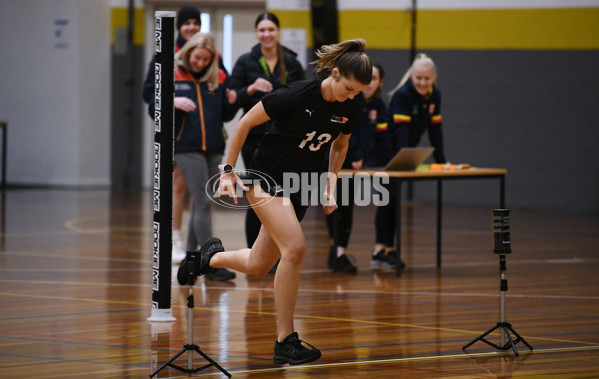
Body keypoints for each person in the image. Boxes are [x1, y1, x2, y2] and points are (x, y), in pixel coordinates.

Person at [178, 39, 372, 364]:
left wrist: (330, 183)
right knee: (295, 248)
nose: (350, 97)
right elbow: (243, 124)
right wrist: (228, 171)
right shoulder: (296, 94)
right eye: (348, 88)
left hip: (301, 185)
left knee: (258, 264)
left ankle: (207, 259)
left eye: (357, 93)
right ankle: (285, 340)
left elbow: (340, 146)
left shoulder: (349, 106)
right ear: (335, 73)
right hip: (265, 177)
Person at [142, 6, 228, 263]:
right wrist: (173, 100)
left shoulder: (212, 56)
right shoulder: (167, 54)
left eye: (195, 23)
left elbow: (223, 92)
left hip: (208, 138)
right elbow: (150, 95)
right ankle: (175, 240)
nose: (190, 27)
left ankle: (189, 250)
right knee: (180, 187)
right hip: (181, 136)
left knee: (195, 194)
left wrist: (235, 96)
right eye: (186, 23)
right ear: (179, 27)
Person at [150, 32, 239, 281]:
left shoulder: (218, 76)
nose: (200, 63)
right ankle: (211, 262)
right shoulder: (173, 73)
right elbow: (153, 105)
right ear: (188, 52)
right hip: (186, 147)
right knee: (202, 201)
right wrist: (173, 101)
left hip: (213, 145)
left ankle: (191, 257)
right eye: (196, 57)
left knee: (204, 200)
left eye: (205, 59)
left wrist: (233, 101)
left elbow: (226, 113)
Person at [229, 12, 305, 256]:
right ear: (255, 33)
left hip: (284, 140)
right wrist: (249, 88)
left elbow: (303, 96)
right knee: (259, 196)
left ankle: (277, 252)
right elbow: (231, 99)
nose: (266, 34)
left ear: (278, 31)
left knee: (282, 196)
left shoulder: (292, 62)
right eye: (262, 30)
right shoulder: (244, 61)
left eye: (271, 29)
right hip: (253, 139)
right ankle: (254, 254)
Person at [371, 53, 446, 270]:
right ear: (411, 77)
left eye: (427, 79)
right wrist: (402, 160)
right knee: (388, 199)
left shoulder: (435, 96)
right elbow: (400, 133)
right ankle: (383, 249)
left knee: (392, 200)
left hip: (404, 155)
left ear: (434, 78)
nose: (422, 83)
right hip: (389, 153)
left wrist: (441, 160)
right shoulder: (403, 95)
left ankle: (384, 249)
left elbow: (435, 129)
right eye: (418, 78)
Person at [325, 62, 389, 273]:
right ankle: (336, 250)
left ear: (381, 82)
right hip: (341, 161)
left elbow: (381, 138)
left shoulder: (378, 106)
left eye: (373, 79)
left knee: (347, 206)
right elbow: (343, 133)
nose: (369, 83)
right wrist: (356, 155)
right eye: (366, 79)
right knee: (336, 204)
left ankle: (339, 251)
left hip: (358, 165)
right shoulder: (351, 100)